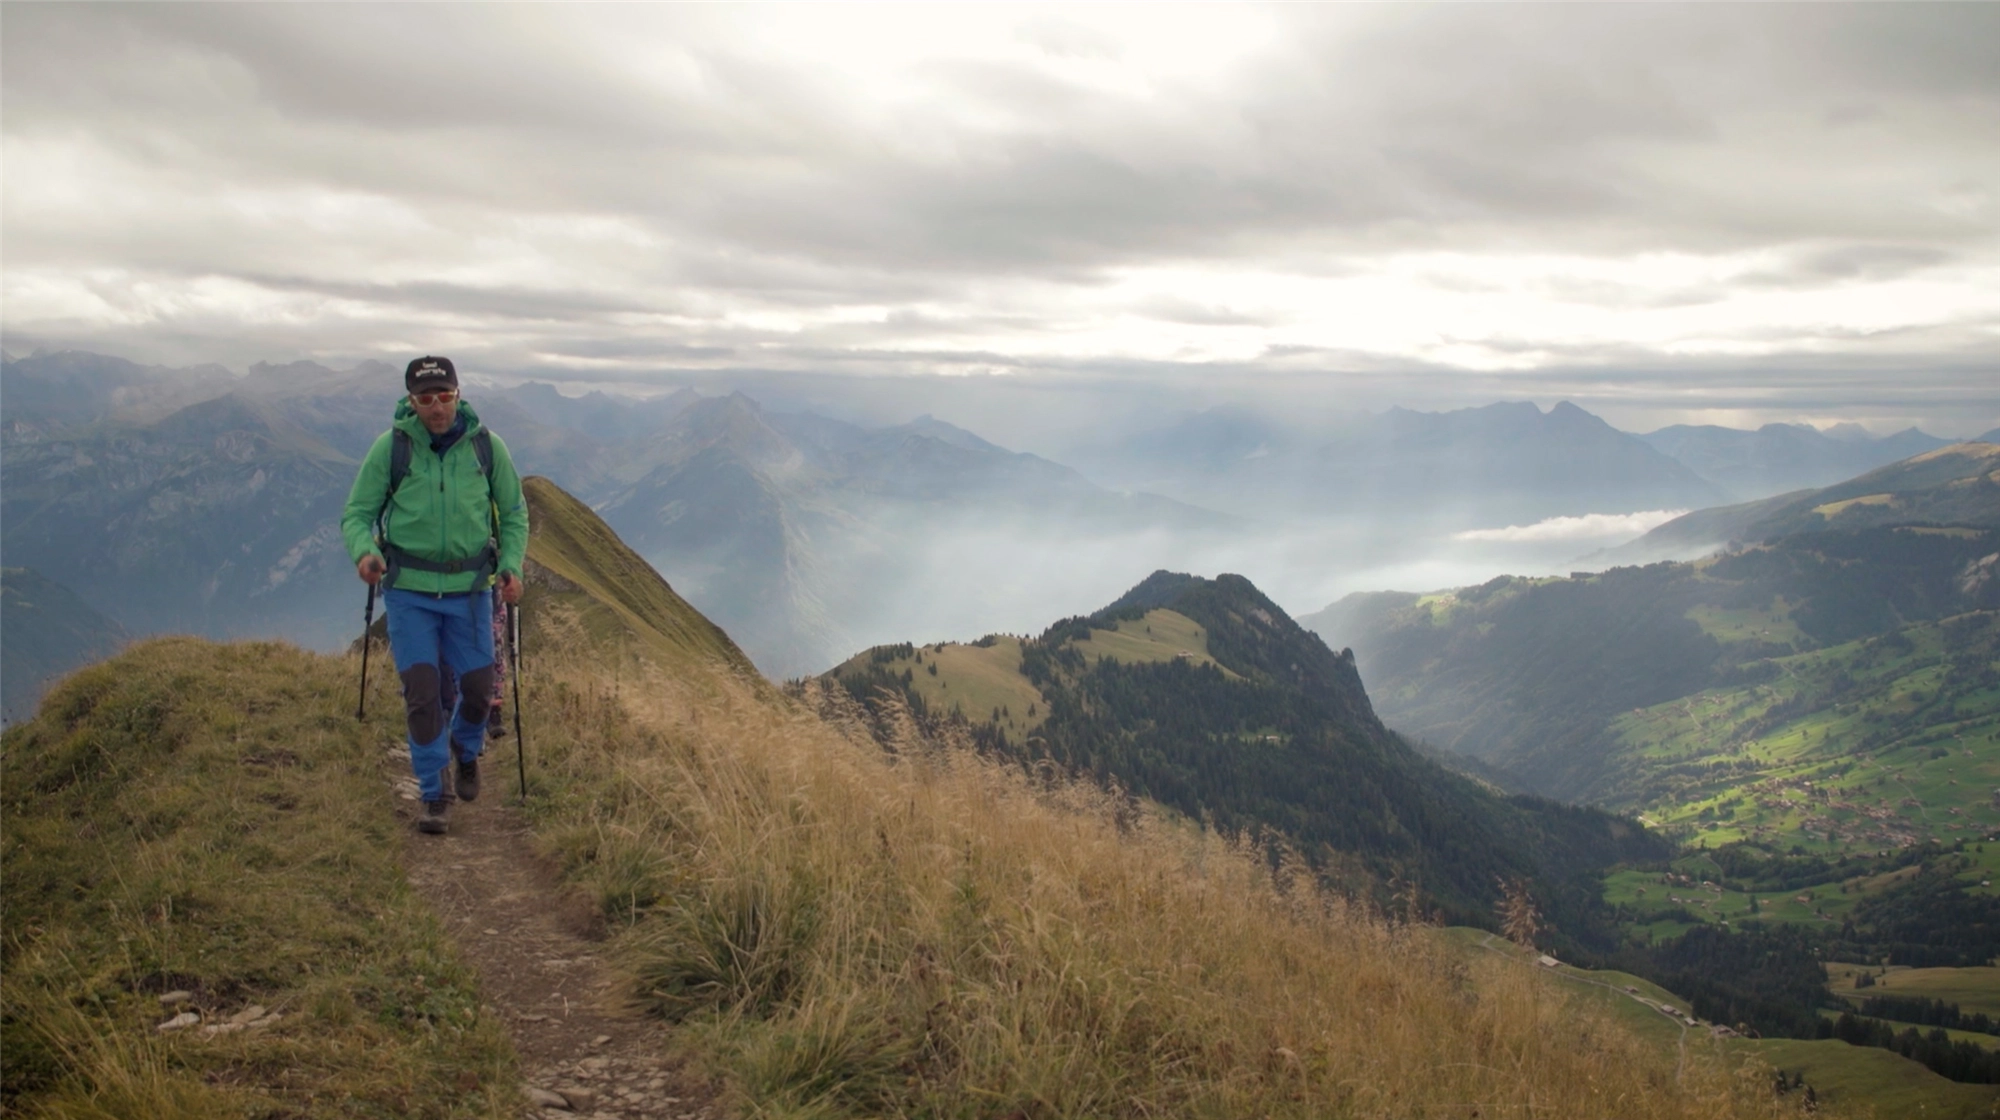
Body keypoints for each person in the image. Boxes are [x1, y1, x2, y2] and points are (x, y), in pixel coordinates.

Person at [342, 356, 528, 835]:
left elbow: (513, 513)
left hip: (470, 591)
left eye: (445, 396)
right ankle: (433, 792)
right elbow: (357, 513)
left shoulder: (487, 448)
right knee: (422, 695)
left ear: (458, 394)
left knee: (478, 691)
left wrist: (510, 565)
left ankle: (466, 750)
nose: (437, 406)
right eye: (426, 398)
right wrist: (365, 554)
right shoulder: (392, 449)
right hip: (409, 592)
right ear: (411, 401)